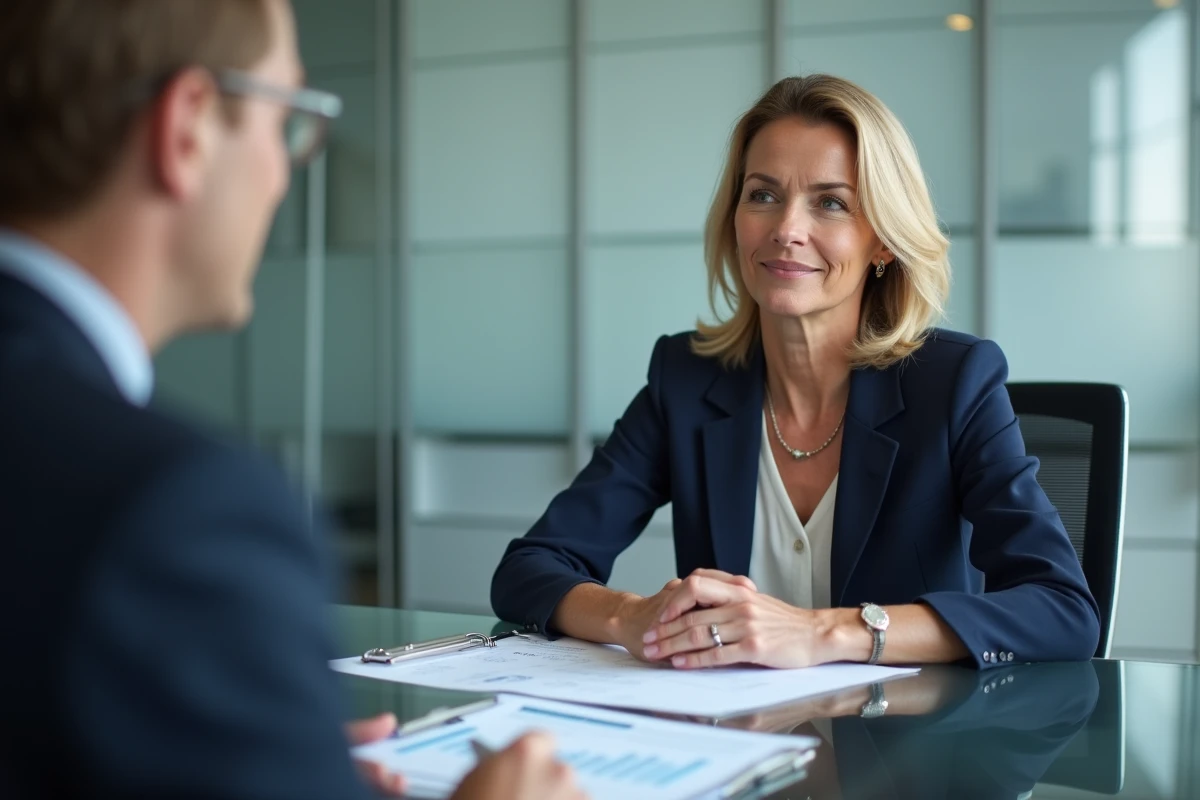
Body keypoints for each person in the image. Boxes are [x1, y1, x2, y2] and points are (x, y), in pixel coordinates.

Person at [0, 2, 583, 798]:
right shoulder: (181, 514)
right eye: (288, 123)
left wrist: (261, 749)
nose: (287, 172)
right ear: (189, 128)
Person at [491, 74, 1100, 672]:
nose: (786, 230)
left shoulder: (955, 383)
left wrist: (825, 631)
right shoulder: (686, 380)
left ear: (883, 241)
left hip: (912, 754)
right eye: (762, 195)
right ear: (734, 221)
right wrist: (631, 616)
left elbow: (1061, 610)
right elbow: (531, 568)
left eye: (830, 203)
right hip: (742, 752)